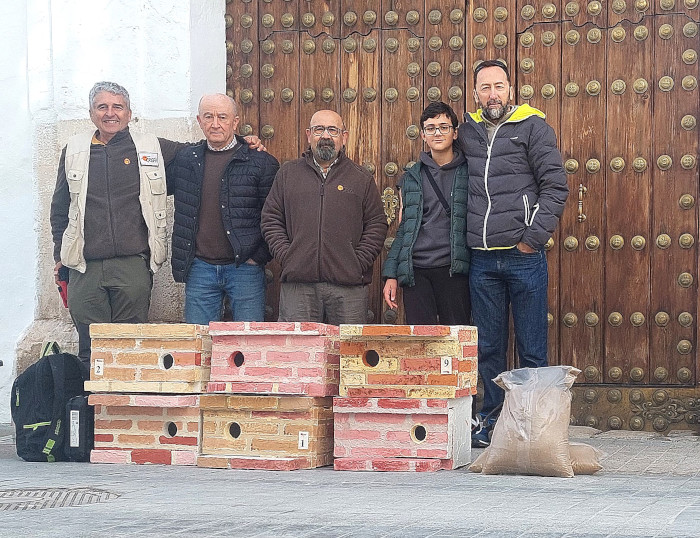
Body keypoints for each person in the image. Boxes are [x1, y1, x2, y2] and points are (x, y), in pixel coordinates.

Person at [458, 60, 569, 447]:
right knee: (489, 346)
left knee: (531, 348)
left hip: (524, 257)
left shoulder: (533, 127)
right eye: (485, 87)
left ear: (511, 90)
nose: (492, 94)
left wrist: (531, 239)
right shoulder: (466, 132)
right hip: (483, 259)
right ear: (474, 93)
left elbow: (555, 186)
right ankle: (489, 422)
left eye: (499, 86)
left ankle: (533, 427)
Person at [50, 81, 185, 365]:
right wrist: (59, 256)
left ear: (129, 113)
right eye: (102, 107)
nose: (110, 113)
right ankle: (93, 410)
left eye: (117, 107)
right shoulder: (74, 150)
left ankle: (124, 409)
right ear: (91, 113)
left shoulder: (152, 147)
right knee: (90, 351)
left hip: (132, 266)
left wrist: (245, 142)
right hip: (85, 269)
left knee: (129, 348)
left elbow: (203, 152)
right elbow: (60, 207)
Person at [261, 109, 387, 324]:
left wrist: (356, 262)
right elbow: (271, 219)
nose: (326, 136)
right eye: (319, 130)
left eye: (332, 130)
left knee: (349, 354)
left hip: (348, 288)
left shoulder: (360, 178)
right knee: (298, 354)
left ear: (343, 137)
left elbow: (376, 224)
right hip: (298, 287)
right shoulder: (288, 174)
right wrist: (288, 256)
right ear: (309, 135)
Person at [167, 94, 279, 324]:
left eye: (222, 117)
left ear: (235, 122)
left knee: (248, 344)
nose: (215, 123)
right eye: (208, 116)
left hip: (245, 269)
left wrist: (257, 257)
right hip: (200, 268)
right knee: (199, 345)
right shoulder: (186, 159)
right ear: (199, 120)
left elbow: (275, 216)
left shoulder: (260, 162)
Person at [381, 102, 470, 325]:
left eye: (443, 127)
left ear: (455, 132)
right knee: (421, 341)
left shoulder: (470, 172)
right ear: (422, 134)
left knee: (455, 339)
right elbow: (404, 229)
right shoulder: (411, 177)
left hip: (454, 270)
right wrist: (391, 274)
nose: (437, 133)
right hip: (417, 271)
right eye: (430, 128)